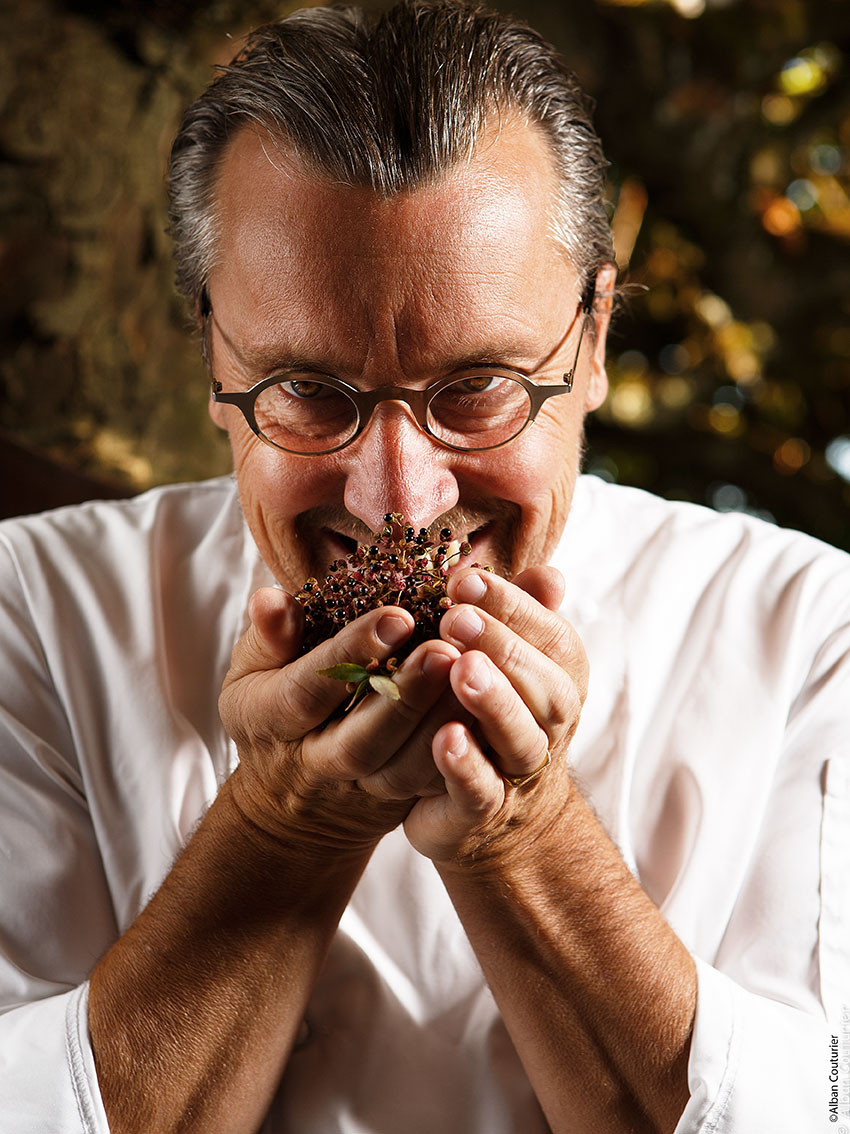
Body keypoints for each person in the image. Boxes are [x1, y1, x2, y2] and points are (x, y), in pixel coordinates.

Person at [1, 2, 847, 1130]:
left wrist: (526, 831)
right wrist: (282, 824)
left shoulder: (806, 633)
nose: (399, 497)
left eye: (476, 389)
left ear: (592, 337)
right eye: (307, 391)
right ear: (213, 351)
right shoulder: (32, 614)